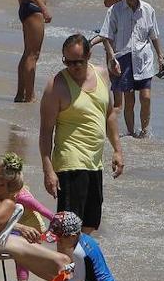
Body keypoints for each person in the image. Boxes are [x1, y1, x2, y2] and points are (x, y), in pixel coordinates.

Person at [39, 34, 125, 233]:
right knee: (69, 230)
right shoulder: (56, 86)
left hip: (95, 163)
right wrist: (48, 170)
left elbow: (110, 114)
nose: (73, 67)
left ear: (89, 56)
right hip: (70, 164)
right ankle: (64, 263)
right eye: (68, 62)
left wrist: (117, 150)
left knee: (89, 226)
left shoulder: (102, 75)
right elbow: (45, 132)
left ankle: (79, 264)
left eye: (78, 61)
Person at [97, 0, 164, 139]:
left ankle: (144, 131)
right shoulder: (115, 10)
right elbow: (106, 36)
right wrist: (112, 58)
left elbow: (154, 35)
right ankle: (131, 132)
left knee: (146, 97)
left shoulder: (148, 9)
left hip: (144, 58)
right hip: (123, 58)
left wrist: (160, 56)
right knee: (129, 100)